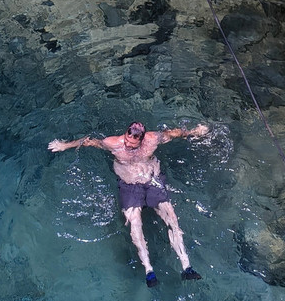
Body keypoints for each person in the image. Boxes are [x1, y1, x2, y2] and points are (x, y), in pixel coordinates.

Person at [48, 121, 210, 287]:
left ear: (141, 140)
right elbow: (89, 141)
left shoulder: (152, 139)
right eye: (127, 140)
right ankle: (149, 270)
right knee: (135, 221)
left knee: (171, 217)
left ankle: (186, 267)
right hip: (129, 184)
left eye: (133, 144)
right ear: (125, 133)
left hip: (152, 179)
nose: (128, 145)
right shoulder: (113, 143)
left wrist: (194, 132)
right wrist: (65, 145)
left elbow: (174, 133)